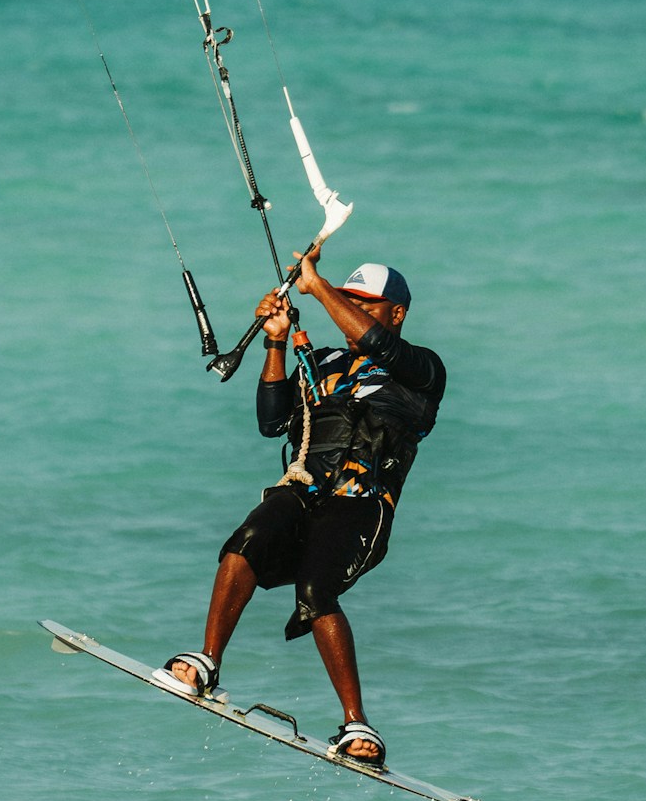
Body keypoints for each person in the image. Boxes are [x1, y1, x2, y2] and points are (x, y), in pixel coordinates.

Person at [159, 254, 446, 768]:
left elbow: (378, 344)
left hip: (361, 505)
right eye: (349, 300)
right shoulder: (326, 362)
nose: (354, 310)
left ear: (397, 313)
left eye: (366, 304)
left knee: (315, 591)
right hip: (304, 489)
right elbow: (272, 422)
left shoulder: (421, 369)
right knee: (245, 541)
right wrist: (275, 341)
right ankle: (207, 662)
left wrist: (317, 287)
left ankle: (357, 722)